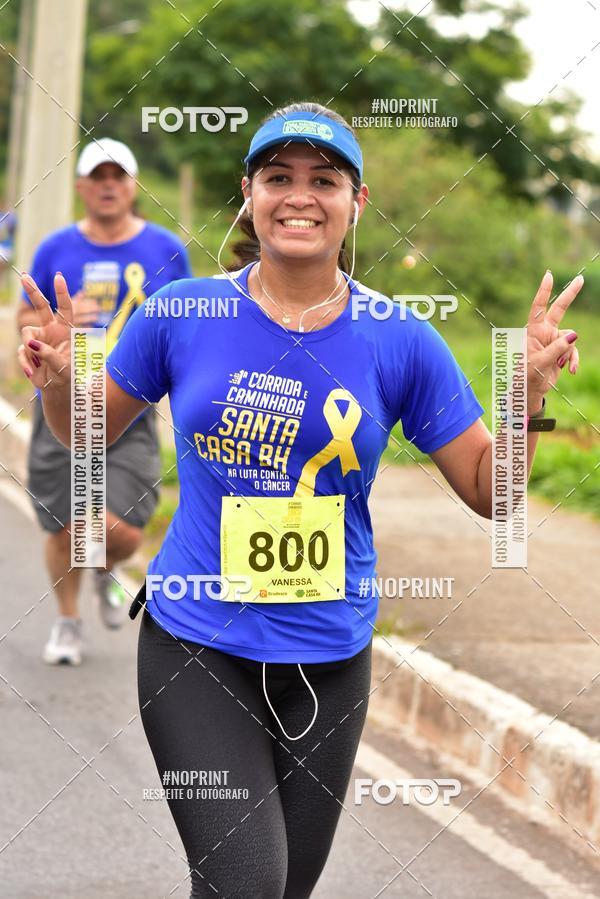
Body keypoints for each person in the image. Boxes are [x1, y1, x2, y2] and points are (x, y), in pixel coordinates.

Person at [18, 102, 582, 898]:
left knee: (284, 888)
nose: (299, 196)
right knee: (246, 883)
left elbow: (494, 493)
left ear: (357, 202)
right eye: (278, 177)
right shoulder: (186, 311)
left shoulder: (398, 336)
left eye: (324, 179)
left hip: (331, 655)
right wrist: (56, 381)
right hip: (196, 642)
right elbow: (85, 431)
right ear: (248, 193)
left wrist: (522, 401)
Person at [17, 137, 192, 665]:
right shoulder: (55, 249)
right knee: (61, 525)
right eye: (98, 176)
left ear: (133, 186)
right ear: (82, 188)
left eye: (119, 175)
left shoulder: (165, 250)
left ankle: (102, 566)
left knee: (120, 530)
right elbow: (25, 325)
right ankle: (69, 623)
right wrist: (49, 337)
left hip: (127, 402)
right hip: (61, 401)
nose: (109, 184)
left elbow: (187, 327)